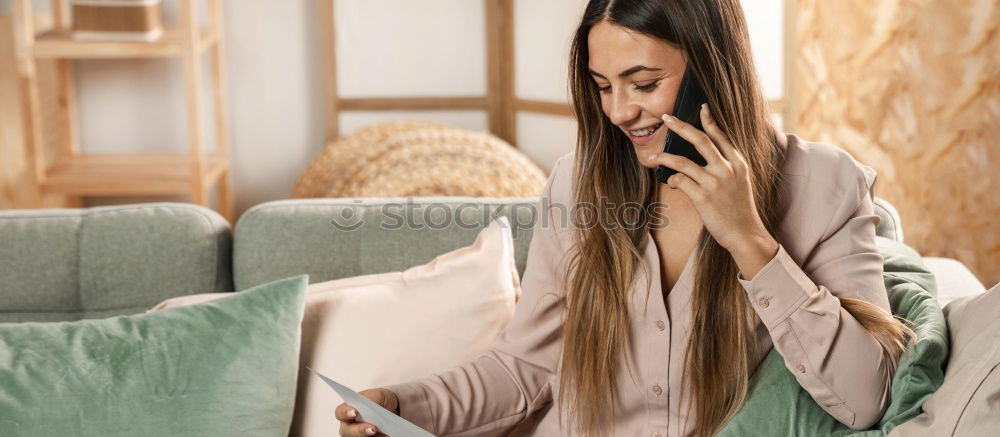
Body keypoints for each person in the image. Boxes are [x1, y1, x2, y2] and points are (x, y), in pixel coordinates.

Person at [335, 0, 914, 436]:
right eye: (603, 86)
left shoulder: (825, 185)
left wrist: (748, 239)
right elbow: (526, 367)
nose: (618, 111)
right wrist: (405, 406)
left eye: (644, 83)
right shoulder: (577, 180)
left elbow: (868, 397)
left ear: (715, 67)